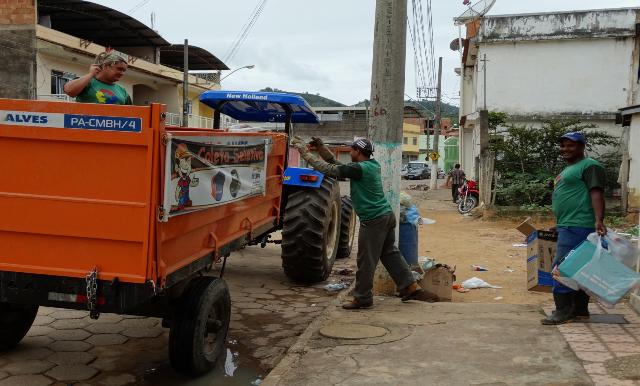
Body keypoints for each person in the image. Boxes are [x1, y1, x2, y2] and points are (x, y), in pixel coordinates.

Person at [290, 136, 437, 309]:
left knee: (366, 261)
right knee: (390, 254)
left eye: (351, 149)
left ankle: (363, 298)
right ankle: (410, 287)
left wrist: (305, 153)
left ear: (358, 152)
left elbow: (329, 169)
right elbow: (335, 163)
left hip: (374, 220)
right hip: (386, 216)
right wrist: (321, 147)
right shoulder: (371, 165)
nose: (349, 152)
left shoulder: (358, 169)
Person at [542, 132, 607, 325]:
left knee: (562, 268)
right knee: (578, 268)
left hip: (580, 225)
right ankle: (580, 310)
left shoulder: (590, 166)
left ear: (581, 146)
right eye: (562, 146)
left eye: (570, 145)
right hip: (569, 225)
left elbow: (596, 193)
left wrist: (599, 220)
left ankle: (563, 311)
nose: (565, 149)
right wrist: (560, 225)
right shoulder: (570, 168)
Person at [64, 51, 132, 105]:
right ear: (106, 66)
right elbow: (69, 91)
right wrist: (91, 74)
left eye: (124, 71)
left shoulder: (122, 90)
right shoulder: (88, 82)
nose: (122, 73)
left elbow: (132, 113)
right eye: (119, 69)